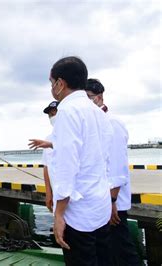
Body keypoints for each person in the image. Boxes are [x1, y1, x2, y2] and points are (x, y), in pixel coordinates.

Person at [47, 56, 113, 265]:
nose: (51, 88)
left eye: (51, 83)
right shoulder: (97, 113)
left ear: (60, 83)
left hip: (78, 214)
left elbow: (68, 165)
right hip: (100, 206)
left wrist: (59, 214)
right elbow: (103, 158)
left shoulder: (67, 111)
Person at [85, 79, 140, 265]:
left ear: (99, 98)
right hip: (101, 203)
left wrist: (112, 201)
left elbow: (117, 167)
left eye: (88, 98)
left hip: (112, 204)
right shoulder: (95, 124)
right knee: (108, 254)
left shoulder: (112, 123)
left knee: (123, 253)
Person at [29, 101, 59, 213]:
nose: (52, 117)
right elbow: (46, 167)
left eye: (55, 113)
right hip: (56, 194)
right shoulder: (48, 138)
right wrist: (48, 193)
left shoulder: (73, 136)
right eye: (50, 115)